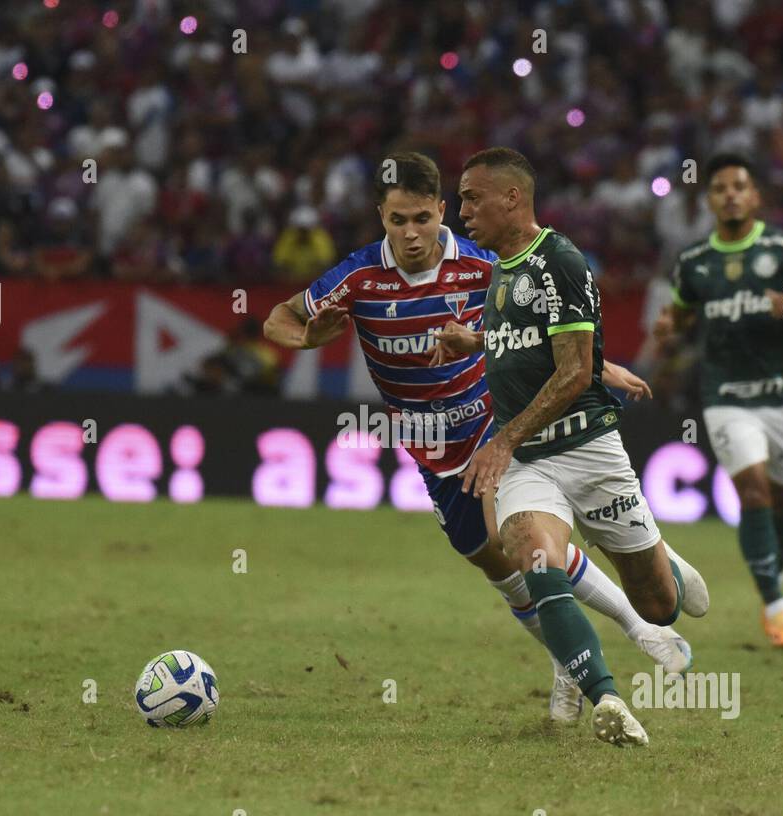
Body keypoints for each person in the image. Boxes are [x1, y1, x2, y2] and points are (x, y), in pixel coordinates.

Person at [264, 151, 691, 727]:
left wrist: (601, 367)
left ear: (441, 210)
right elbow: (278, 320)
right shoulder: (358, 276)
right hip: (430, 448)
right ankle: (572, 657)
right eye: (398, 221)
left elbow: (551, 322)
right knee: (499, 570)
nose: (412, 234)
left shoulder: (482, 264)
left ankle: (642, 625)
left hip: (494, 423)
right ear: (381, 219)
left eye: (422, 218)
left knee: (521, 542)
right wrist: (307, 339)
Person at [443, 147, 711, 746]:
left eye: (470, 196)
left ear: (513, 197)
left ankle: (662, 556)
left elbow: (570, 372)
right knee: (535, 560)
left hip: (589, 450)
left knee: (661, 604)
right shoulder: (502, 271)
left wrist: (503, 437)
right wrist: (475, 341)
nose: (462, 210)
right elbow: (527, 344)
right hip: (530, 464)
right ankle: (608, 699)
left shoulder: (560, 261)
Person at [656, 154, 783, 649]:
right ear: (710, 199)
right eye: (720, 188)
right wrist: (672, 328)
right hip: (725, 395)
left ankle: (769, 577)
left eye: (740, 186)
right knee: (753, 491)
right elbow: (683, 314)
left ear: (755, 196)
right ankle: (777, 607)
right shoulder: (694, 262)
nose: (730, 194)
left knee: (782, 499)